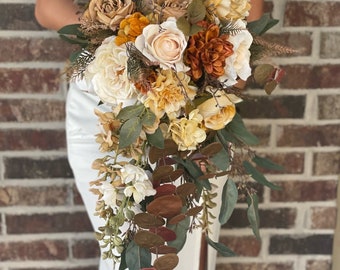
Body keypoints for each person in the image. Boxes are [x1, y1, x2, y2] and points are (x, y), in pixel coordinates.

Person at [35, 1, 264, 269]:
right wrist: (127, 40)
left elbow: (250, 13)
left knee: (186, 248)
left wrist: (213, 69)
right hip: (107, 97)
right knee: (123, 242)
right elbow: (47, 8)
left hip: (193, 96)